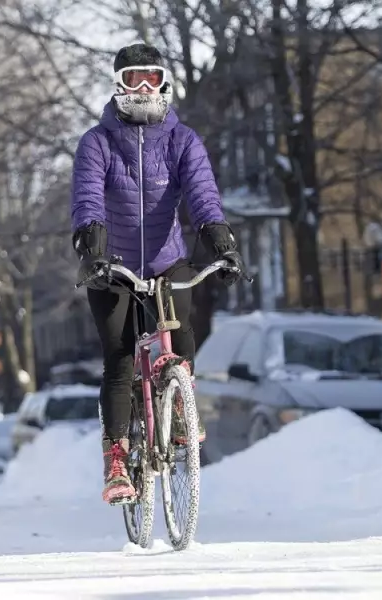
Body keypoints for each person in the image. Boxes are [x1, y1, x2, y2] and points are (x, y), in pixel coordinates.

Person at [70, 42, 246, 505]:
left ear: (164, 80)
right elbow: (88, 197)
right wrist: (90, 243)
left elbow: (203, 193)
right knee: (121, 358)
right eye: (133, 78)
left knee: (179, 333)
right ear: (118, 85)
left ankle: (181, 407)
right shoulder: (97, 142)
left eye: (150, 76)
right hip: (114, 266)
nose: (143, 87)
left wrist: (220, 240)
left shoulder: (183, 140)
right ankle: (117, 458)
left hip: (167, 260)